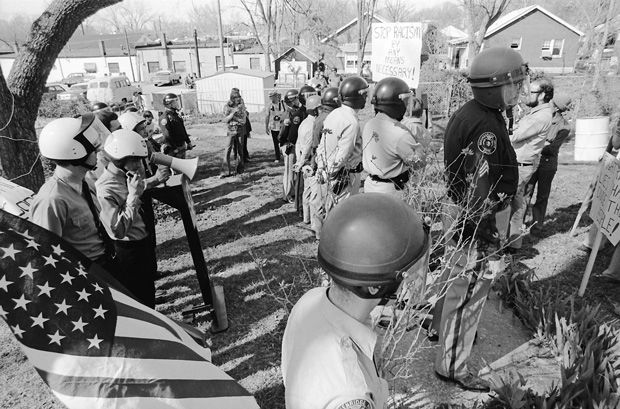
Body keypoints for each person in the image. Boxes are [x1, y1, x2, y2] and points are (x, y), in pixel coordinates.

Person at [282, 193, 430, 409]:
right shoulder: (351, 394)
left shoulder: (310, 300)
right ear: (374, 286)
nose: (414, 277)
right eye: (409, 272)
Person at [436, 47, 524, 391]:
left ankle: (450, 346)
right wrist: (485, 237)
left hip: (468, 221)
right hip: (478, 227)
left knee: (458, 290)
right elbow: (479, 189)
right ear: (494, 86)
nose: (518, 89)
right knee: (468, 294)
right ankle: (453, 367)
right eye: (512, 83)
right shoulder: (485, 126)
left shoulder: (477, 112)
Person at [29, 114, 117, 274]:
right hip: (85, 275)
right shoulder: (52, 199)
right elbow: (47, 253)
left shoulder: (85, 181)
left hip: (106, 265)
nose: (98, 152)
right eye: (93, 150)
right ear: (75, 152)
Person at [96, 130, 169, 308]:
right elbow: (117, 230)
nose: (139, 164)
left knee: (148, 290)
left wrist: (155, 180)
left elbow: (138, 186)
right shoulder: (106, 187)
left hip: (142, 241)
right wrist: (133, 197)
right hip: (129, 250)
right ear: (119, 159)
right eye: (134, 160)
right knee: (140, 296)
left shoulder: (126, 176)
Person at [505, 78, 554, 251]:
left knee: (513, 206)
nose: (527, 96)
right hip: (519, 165)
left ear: (543, 95)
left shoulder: (540, 117)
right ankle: (511, 243)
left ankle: (511, 245)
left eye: (531, 92)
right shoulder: (536, 113)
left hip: (520, 166)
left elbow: (514, 135)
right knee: (516, 204)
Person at [362, 77, 426, 199]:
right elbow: (418, 162)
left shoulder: (369, 124)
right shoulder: (400, 134)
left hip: (370, 185)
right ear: (396, 103)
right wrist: (420, 144)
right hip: (391, 190)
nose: (407, 105)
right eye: (406, 101)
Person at [316, 75, 368, 210]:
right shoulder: (351, 121)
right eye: (365, 95)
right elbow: (344, 154)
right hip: (344, 175)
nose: (366, 98)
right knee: (344, 213)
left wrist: (322, 169)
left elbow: (322, 145)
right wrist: (332, 174)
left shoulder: (335, 113)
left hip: (328, 170)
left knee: (330, 211)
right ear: (358, 96)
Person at [524, 94, 573, 236]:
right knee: (526, 192)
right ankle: (519, 223)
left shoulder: (564, 126)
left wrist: (537, 144)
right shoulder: (539, 118)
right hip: (533, 160)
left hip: (547, 164)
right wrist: (543, 143)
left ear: (557, 108)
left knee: (542, 196)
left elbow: (552, 149)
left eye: (551, 104)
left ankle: (537, 226)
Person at [293, 95, 321, 224]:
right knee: (313, 193)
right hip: (309, 162)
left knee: (306, 192)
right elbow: (308, 145)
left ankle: (306, 218)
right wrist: (302, 161)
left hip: (303, 161)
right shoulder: (312, 125)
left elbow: (298, 143)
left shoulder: (304, 122)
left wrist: (299, 161)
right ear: (315, 110)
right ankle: (313, 220)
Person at [279, 89, 306, 202]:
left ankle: (292, 192)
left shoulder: (298, 111)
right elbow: (283, 133)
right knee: (289, 171)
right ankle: (287, 194)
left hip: (294, 144)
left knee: (293, 171)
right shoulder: (288, 113)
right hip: (289, 144)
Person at [159, 93, 194, 159]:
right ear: (169, 104)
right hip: (174, 149)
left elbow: (182, 130)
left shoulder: (176, 115)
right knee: (175, 167)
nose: (177, 103)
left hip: (181, 145)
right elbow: (167, 135)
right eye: (175, 102)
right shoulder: (164, 117)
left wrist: (188, 142)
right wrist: (175, 148)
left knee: (183, 166)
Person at [221, 89, 247, 177]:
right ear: (233, 98)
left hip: (240, 129)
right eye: (237, 97)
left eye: (239, 97)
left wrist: (241, 119)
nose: (239, 99)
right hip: (231, 130)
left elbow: (244, 118)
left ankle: (240, 169)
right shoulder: (227, 106)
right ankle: (225, 171)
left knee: (240, 150)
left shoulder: (241, 106)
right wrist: (233, 114)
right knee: (227, 150)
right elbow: (224, 120)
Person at [265, 90, 285, 162]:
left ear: (276, 96)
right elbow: (267, 116)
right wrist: (266, 126)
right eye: (269, 96)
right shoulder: (269, 105)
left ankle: (285, 155)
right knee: (276, 143)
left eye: (272, 96)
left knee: (283, 141)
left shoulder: (283, 104)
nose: (270, 98)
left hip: (282, 126)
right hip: (273, 126)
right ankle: (277, 157)